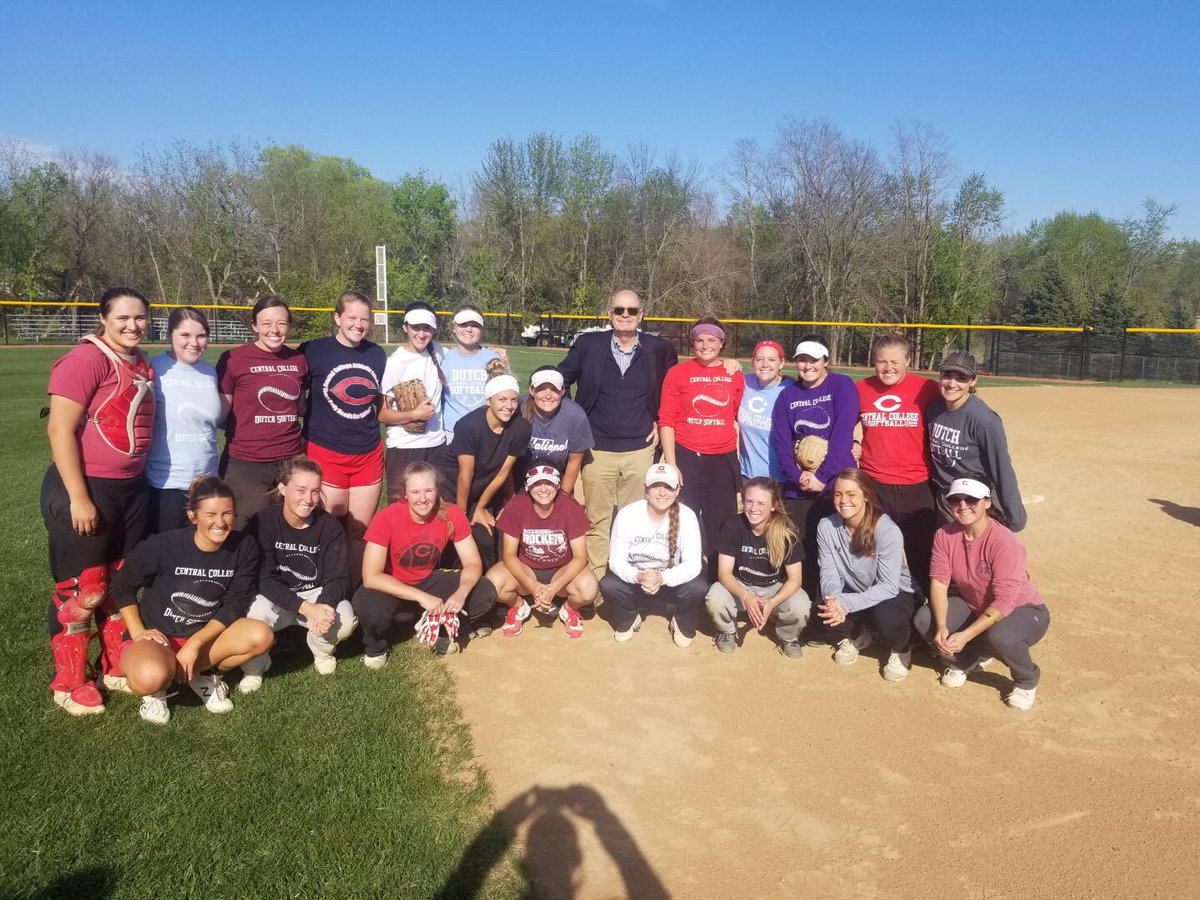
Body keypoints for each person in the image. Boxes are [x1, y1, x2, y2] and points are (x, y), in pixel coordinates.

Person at [41, 287, 157, 716]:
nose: (133, 325)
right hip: (88, 487)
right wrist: (79, 497)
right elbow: (60, 431)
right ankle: (69, 681)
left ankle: (113, 665)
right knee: (84, 589)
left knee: (119, 583)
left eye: (140, 318)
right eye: (124, 318)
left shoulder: (140, 361)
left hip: (131, 488)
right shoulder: (86, 359)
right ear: (103, 318)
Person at [111, 476, 273, 725]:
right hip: (159, 637)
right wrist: (138, 631)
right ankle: (157, 692)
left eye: (227, 513)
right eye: (211, 514)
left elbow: (236, 603)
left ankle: (197, 674)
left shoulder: (244, 546)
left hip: (205, 638)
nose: (220, 522)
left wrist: (195, 643)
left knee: (261, 635)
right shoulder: (164, 544)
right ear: (192, 515)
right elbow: (122, 585)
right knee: (149, 677)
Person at [558, 289, 678, 577]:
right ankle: (597, 581)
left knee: (636, 520)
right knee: (597, 521)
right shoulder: (589, 344)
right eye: (619, 310)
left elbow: (676, 390)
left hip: (640, 449)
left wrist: (724, 364)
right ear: (609, 313)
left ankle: (627, 581)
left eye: (632, 311)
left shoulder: (658, 349)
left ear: (642, 315)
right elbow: (559, 379)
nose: (625, 315)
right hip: (597, 449)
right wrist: (575, 417)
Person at [913, 478, 1049, 710]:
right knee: (925, 620)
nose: (963, 505)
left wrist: (965, 635)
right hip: (973, 604)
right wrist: (942, 625)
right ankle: (965, 661)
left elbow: (1005, 601)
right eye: (956, 499)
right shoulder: (944, 535)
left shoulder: (1004, 542)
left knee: (999, 636)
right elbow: (939, 582)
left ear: (987, 502)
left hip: (1022, 610)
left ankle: (1026, 679)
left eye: (971, 499)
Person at [351, 462, 495, 662]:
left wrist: (460, 594)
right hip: (390, 584)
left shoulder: (451, 513)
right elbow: (371, 577)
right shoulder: (386, 517)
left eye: (429, 490)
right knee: (367, 607)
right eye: (415, 492)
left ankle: (438, 624)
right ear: (405, 494)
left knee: (484, 591)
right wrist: (421, 597)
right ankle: (376, 647)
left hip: (426, 580)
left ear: (437, 490)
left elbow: (473, 563)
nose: (423, 498)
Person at [239, 456, 355, 692]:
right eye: (300, 490)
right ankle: (255, 666)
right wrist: (306, 609)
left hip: (315, 594)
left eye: (315, 491)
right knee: (255, 612)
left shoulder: (330, 526)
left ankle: (320, 647)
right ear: (282, 488)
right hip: (276, 595)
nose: (308, 499)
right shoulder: (263, 522)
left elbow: (338, 577)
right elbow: (263, 579)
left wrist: (321, 608)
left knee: (345, 620)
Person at [300, 290, 388, 581]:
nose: (358, 324)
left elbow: (378, 404)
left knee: (359, 531)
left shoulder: (376, 354)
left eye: (364, 319)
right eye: (351, 317)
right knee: (325, 527)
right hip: (326, 452)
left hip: (367, 452)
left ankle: (353, 590)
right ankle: (320, 591)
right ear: (337, 317)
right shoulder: (313, 350)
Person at [770, 335, 859, 598]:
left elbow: (842, 436)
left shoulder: (841, 385)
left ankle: (837, 611)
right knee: (803, 550)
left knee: (839, 551)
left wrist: (822, 476)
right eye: (801, 360)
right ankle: (804, 609)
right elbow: (782, 444)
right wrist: (798, 477)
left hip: (835, 484)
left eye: (813, 360)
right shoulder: (788, 395)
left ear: (825, 361)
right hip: (799, 488)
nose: (807, 366)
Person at [814, 469, 920, 682]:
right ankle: (859, 634)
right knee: (823, 599)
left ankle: (901, 649)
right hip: (856, 588)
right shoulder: (826, 526)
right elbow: (829, 573)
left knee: (888, 614)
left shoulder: (887, 530)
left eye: (851, 494)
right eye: (837, 494)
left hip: (895, 592)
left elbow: (889, 586)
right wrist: (835, 601)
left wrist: (845, 603)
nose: (843, 500)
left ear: (866, 495)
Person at [658, 316, 745, 574]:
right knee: (683, 518)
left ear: (722, 343)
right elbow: (667, 419)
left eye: (711, 340)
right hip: (686, 455)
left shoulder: (734, 374)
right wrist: (672, 464)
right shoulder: (677, 373)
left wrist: (735, 365)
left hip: (722, 457)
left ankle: (720, 579)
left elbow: (740, 413)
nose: (705, 345)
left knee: (721, 521)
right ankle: (684, 577)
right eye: (699, 340)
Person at [856, 333, 940, 595]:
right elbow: (843, 425)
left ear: (908, 361)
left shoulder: (927, 388)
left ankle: (925, 614)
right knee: (872, 553)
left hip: (916, 485)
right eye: (881, 361)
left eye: (895, 361)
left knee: (921, 554)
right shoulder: (862, 389)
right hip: (874, 484)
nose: (888, 368)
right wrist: (851, 441)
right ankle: (873, 615)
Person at [216, 295, 308, 528]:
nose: (274, 330)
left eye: (281, 323)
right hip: (246, 463)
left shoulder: (298, 360)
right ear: (254, 326)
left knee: (287, 529)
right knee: (245, 531)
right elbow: (219, 416)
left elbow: (300, 408)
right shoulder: (234, 359)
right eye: (266, 323)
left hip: (290, 461)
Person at [485, 462, 598, 639]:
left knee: (589, 588)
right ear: (528, 486)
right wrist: (531, 584)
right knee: (493, 583)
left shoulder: (571, 507)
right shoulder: (517, 506)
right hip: (526, 568)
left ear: (558, 485)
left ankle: (569, 609)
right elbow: (508, 554)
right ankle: (517, 605)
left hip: (561, 569)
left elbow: (580, 557)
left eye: (549, 483)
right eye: (537, 483)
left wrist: (555, 587)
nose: (543, 489)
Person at [600, 462, 707, 648]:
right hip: (637, 580)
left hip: (669, 580)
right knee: (609, 584)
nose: (662, 492)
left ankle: (682, 621)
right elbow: (616, 560)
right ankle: (629, 616)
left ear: (677, 490)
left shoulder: (687, 516)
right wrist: (638, 576)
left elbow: (692, 564)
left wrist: (662, 577)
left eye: (668, 487)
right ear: (645, 489)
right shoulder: (627, 514)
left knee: (698, 586)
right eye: (656, 486)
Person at [433, 374, 531, 571]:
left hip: (482, 487)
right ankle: (443, 577)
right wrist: (461, 515)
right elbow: (464, 475)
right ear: (489, 401)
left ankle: (485, 585)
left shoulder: (521, 428)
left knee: (484, 537)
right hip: (450, 485)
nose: (509, 406)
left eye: (513, 400)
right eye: (502, 400)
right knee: (453, 532)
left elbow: (503, 472)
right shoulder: (469, 426)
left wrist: (481, 507)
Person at [705, 478, 809, 658]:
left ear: (773, 505)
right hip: (741, 586)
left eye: (761, 503)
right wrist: (746, 597)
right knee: (715, 597)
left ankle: (788, 636)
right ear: (743, 501)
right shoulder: (733, 527)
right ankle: (727, 631)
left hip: (774, 588)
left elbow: (795, 579)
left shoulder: (786, 532)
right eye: (749, 501)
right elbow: (724, 573)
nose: (754, 508)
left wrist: (772, 602)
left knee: (801, 605)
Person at [926, 350, 1027, 532]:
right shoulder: (934, 409)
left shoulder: (983, 419)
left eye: (961, 378)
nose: (952, 383)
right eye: (947, 375)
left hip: (974, 499)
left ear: (973, 381)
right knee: (949, 552)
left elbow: (1001, 467)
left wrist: (1015, 514)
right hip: (946, 499)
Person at [146, 306, 225, 533]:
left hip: (207, 482)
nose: (194, 342)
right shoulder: (155, 368)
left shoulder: (210, 372)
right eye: (185, 335)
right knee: (168, 556)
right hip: (166, 483)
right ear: (170, 335)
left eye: (201, 336)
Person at [379, 301, 448, 503]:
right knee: (402, 508)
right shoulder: (394, 363)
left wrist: (492, 350)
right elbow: (382, 414)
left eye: (426, 328)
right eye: (415, 327)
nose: (421, 333)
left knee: (435, 506)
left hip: (436, 445)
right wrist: (414, 415)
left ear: (434, 330)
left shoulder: (439, 352)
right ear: (405, 328)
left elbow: (468, 352)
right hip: (404, 448)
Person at [520, 365, 594, 496]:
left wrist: (563, 496)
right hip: (521, 482)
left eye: (554, 389)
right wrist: (509, 498)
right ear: (532, 390)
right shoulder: (517, 409)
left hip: (556, 482)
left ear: (562, 391)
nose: (548, 395)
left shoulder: (575, 415)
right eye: (541, 389)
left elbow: (574, 462)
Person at [440, 303, 509, 439]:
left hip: (486, 432)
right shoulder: (442, 357)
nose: (469, 329)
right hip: (452, 433)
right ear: (454, 328)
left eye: (475, 325)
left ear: (482, 329)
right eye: (463, 324)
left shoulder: (494, 359)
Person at [738, 340, 792, 482]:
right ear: (752, 362)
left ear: (781, 363)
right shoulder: (744, 382)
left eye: (772, 360)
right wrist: (730, 362)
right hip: (747, 475)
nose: (765, 365)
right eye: (759, 359)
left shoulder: (791, 390)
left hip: (780, 479)